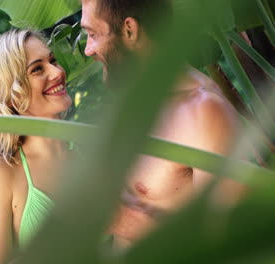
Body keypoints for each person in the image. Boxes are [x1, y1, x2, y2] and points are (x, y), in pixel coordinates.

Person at [81, 0, 245, 247]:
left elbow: (231, 241)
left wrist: (121, 220)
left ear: (129, 31)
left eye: (92, 34)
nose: (88, 50)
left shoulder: (204, 113)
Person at [0, 29, 73, 263]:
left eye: (53, 60)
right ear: (11, 94)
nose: (57, 72)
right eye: (37, 69)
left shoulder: (89, 155)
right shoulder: (0, 174)